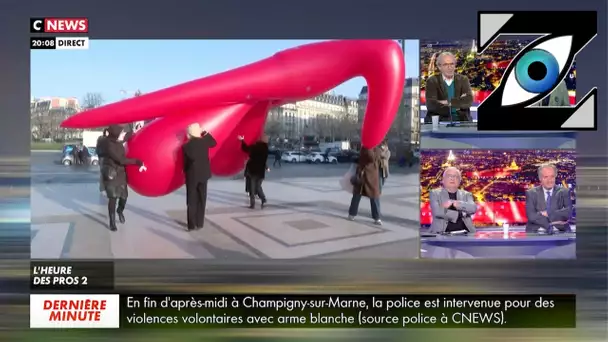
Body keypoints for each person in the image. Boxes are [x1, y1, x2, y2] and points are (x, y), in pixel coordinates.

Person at [101, 125, 145, 231]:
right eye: (121, 133)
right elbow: (121, 160)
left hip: (121, 174)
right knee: (113, 198)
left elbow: (127, 136)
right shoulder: (109, 145)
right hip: (111, 174)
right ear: (116, 135)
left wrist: (135, 131)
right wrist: (137, 162)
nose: (123, 135)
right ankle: (112, 222)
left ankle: (120, 210)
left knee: (124, 197)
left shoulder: (118, 139)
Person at [182, 123, 217, 231]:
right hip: (204, 174)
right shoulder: (204, 142)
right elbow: (214, 142)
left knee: (191, 200)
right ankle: (199, 223)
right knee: (202, 198)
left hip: (192, 175)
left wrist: (185, 171)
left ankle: (191, 225)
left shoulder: (186, 146)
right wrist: (204, 132)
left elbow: (186, 163)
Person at [424, 52, 473, 123]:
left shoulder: (463, 79)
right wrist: (458, 103)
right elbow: (431, 105)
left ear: (455, 65)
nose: (449, 67)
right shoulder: (432, 81)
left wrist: (448, 102)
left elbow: (468, 101)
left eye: (451, 64)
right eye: (445, 64)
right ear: (439, 67)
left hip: (462, 122)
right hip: (439, 123)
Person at [525, 163, 572, 234]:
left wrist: (547, 213)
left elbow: (568, 213)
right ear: (540, 178)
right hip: (535, 232)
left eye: (552, 177)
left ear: (555, 177)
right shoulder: (531, 193)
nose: (549, 180)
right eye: (546, 177)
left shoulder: (565, 192)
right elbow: (531, 216)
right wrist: (549, 225)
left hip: (561, 232)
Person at [428, 167, 477, 234]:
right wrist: (461, 214)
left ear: (460, 180)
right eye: (449, 176)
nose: (452, 178)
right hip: (441, 234)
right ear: (443, 180)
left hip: (466, 234)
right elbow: (437, 212)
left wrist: (454, 203)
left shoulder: (467, 194)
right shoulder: (434, 193)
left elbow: (473, 208)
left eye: (456, 176)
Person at [347, 147, 382, 225]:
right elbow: (370, 157)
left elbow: (375, 159)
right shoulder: (366, 147)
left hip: (372, 176)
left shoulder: (376, 148)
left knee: (374, 196)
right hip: (362, 174)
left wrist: (377, 150)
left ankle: (377, 217)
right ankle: (352, 214)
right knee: (357, 195)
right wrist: (375, 150)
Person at [239, 134, 269, 209]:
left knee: (252, 189)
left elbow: (245, 148)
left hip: (253, 171)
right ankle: (263, 199)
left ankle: (253, 204)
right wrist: (266, 168)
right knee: (258, 187)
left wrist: (242, 140)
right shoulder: (265, 149)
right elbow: (263, 161)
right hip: (261, 172)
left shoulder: (255, 147)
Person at [96, 129, 109, 193]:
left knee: (104, 172)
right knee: (104, 173)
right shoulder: (104, 139)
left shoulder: (101, 139)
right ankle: (103, 187)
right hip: (103, 157)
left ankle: (103, 187)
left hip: (103, 157)